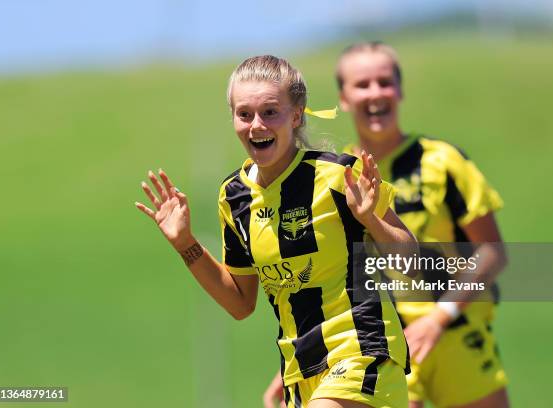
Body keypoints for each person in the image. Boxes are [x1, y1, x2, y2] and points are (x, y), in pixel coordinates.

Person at [136, 55, 417, 408]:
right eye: (244, 114)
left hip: (363, 351)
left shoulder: (337, 175)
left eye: (270, 112)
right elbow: (239, 303)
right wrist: (185, 244)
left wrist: (372, 220)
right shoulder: (233, 196)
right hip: (300, 371)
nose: (256, 125)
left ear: (296, 115)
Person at [264, 43, 510, 408]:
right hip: (381, 342)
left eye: (385, 82)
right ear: (344, 98)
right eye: (362, 84)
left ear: (400, 90)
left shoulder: (442, 161)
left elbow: (492, 252)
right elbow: (328, 277)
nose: (375, 93)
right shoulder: (335, 174)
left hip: (457, 333)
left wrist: (440, 317)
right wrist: (306, 357)